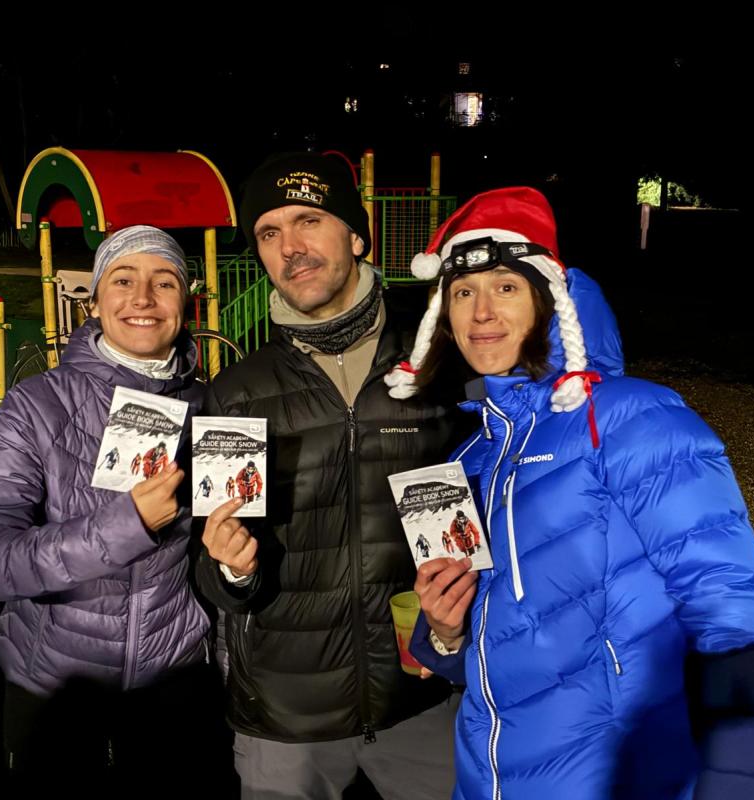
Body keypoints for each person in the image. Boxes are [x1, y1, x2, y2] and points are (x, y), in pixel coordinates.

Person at [388, 188, 754, 799]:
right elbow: (489, 644)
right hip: (488, 775)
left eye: (505, 287)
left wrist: (743, 781)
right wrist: (445, 632)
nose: (481, 314)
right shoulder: (471, 456)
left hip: (619, 776)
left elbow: (728, 599)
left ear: (548, 300)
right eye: (463, 293)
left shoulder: (630, 418)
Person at [194, 152, 468, 799]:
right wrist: (231, 569)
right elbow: (211, 574)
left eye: (308, 220)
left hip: (421, 696)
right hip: (285, 718)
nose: (289, 246)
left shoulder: (438, 366)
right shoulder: (235, 392)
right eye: (268, 232)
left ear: (356, 236)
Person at [0, 225, 232, 793]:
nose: (143, 298)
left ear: (186, 304)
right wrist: (124, 526)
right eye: (123, 281)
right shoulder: (34, 406)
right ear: (96, 302)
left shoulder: (214, 407)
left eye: (164, 282)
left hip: (174, 681)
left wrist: (236, 567)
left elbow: (222, 552)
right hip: (56, 685)